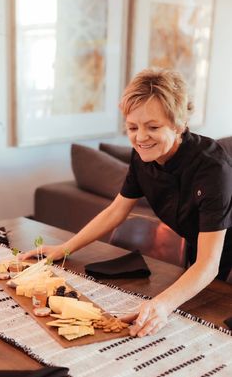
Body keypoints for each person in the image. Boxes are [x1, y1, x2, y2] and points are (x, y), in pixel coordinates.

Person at [21, 68, 232, 338]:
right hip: (205, 258)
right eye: (133, 127)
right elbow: (116, 211)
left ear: (179, 124)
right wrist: (64, 248)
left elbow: (208, 264)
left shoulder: (212, 168)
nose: (141, 137)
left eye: (153, 127)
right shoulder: (142, 158)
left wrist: (162, 305)